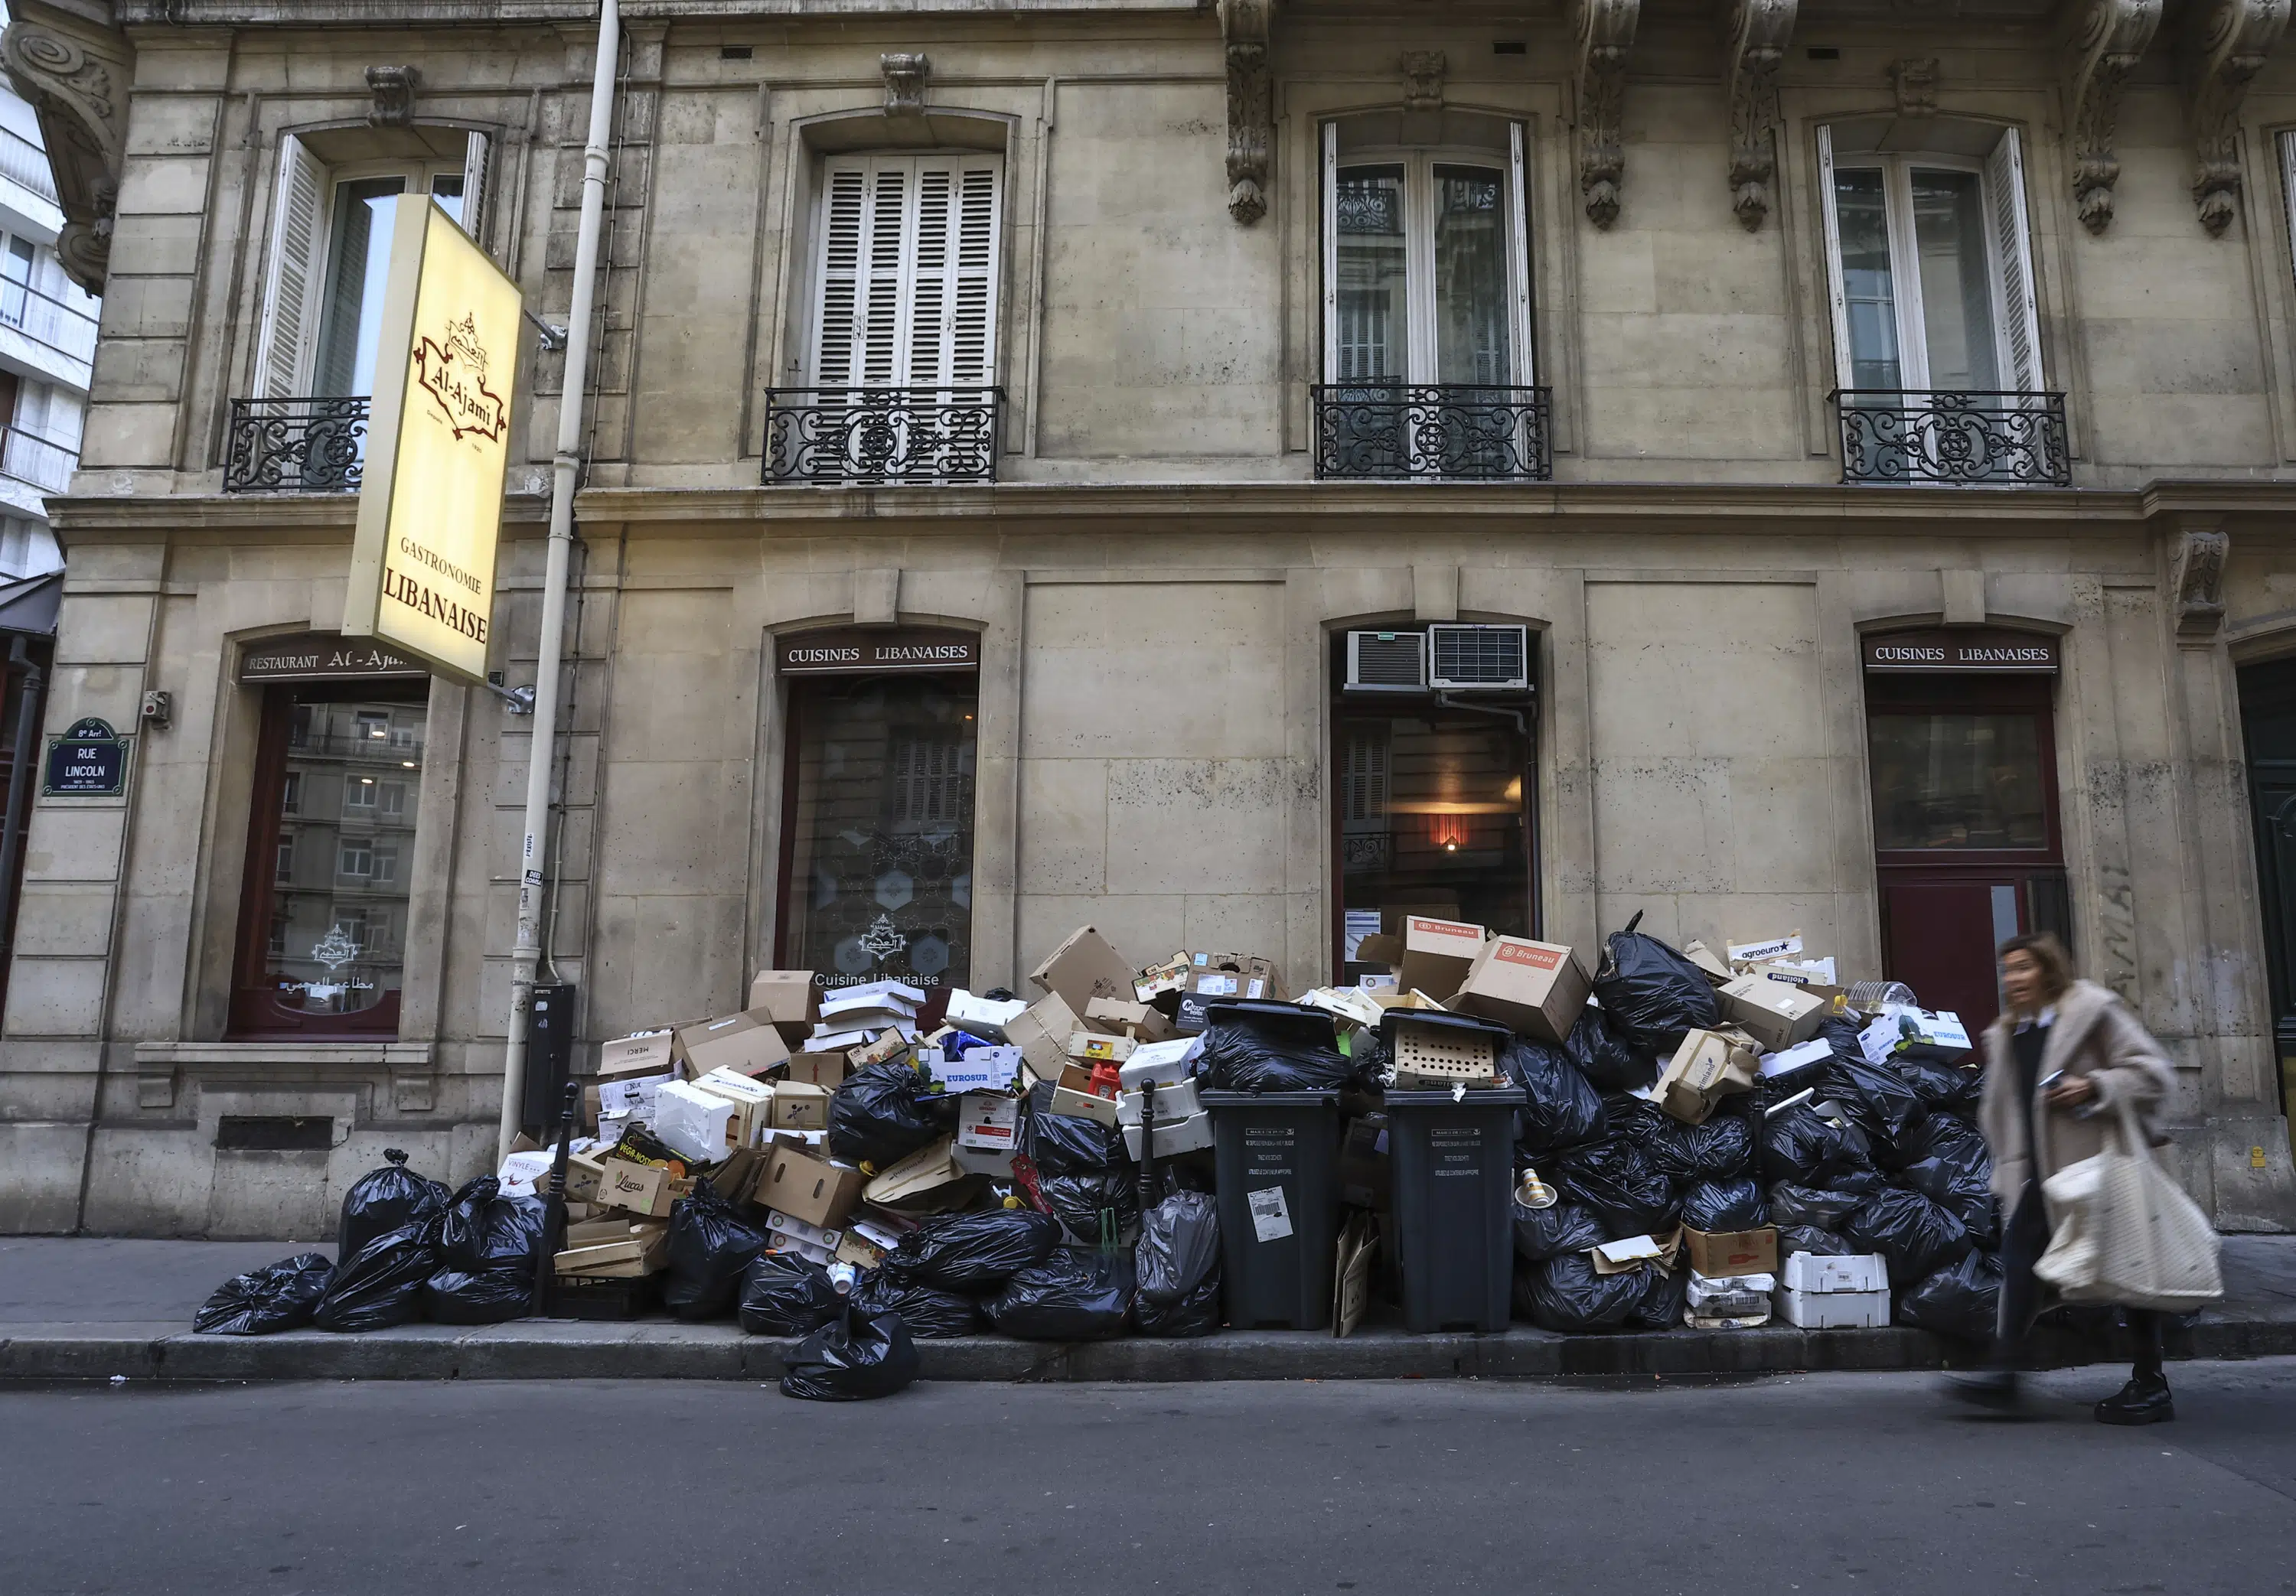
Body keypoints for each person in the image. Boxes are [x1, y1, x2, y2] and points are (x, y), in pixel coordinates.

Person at [1947, 933, 2180, 1423]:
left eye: (2024, 967)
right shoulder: (2009, 1032)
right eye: (2008, 970)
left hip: (2098, 1169)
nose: (2014, 979)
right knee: (2019, 1259)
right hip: (2038, 1177)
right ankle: (2005, 1374)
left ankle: (2150, 1381)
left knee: (2130, 1271)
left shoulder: (2093, 1012)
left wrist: (2093, 1085)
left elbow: (2153, 1072)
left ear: (2048, 969)